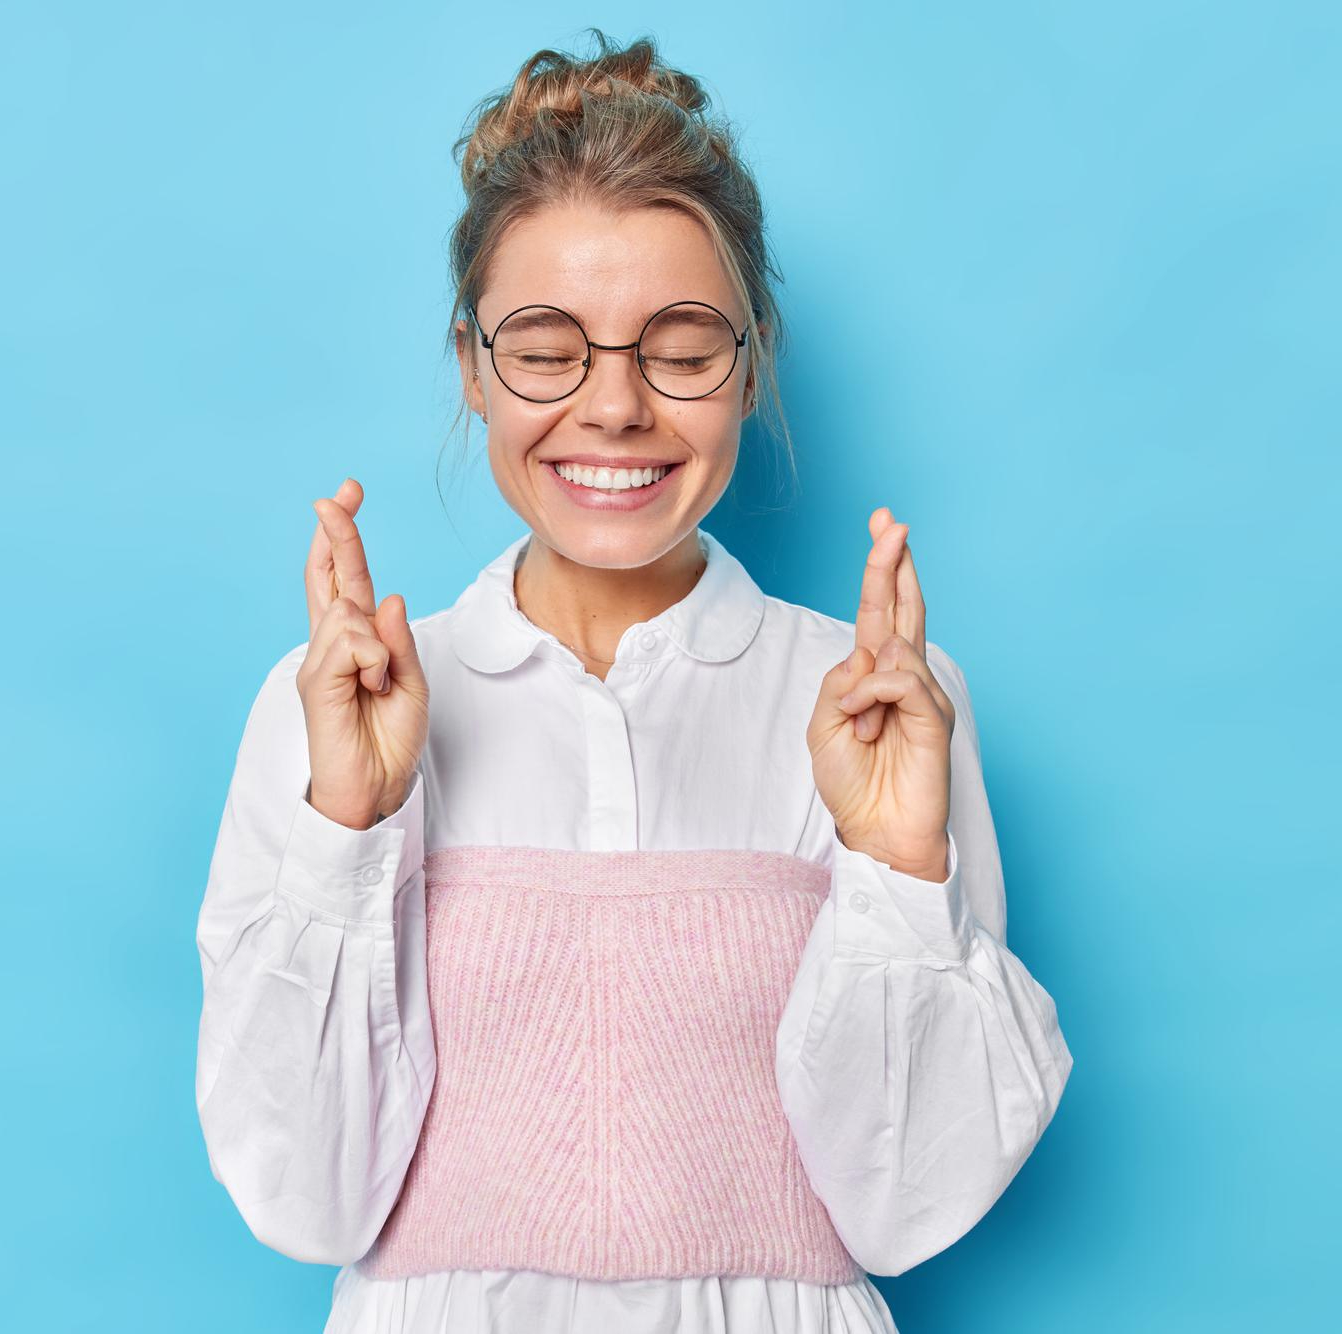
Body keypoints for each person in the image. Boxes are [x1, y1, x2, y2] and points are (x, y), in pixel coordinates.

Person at [194, 30, 1074, 1334]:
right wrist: (351, 826)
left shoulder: (878, 701)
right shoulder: (338, 704)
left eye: (680, 346)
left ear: (752, 360)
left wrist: (894, 858)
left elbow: (905, 1207)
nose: (615, 408)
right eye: (548, 348)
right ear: (471, 365)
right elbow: (306, 1205)